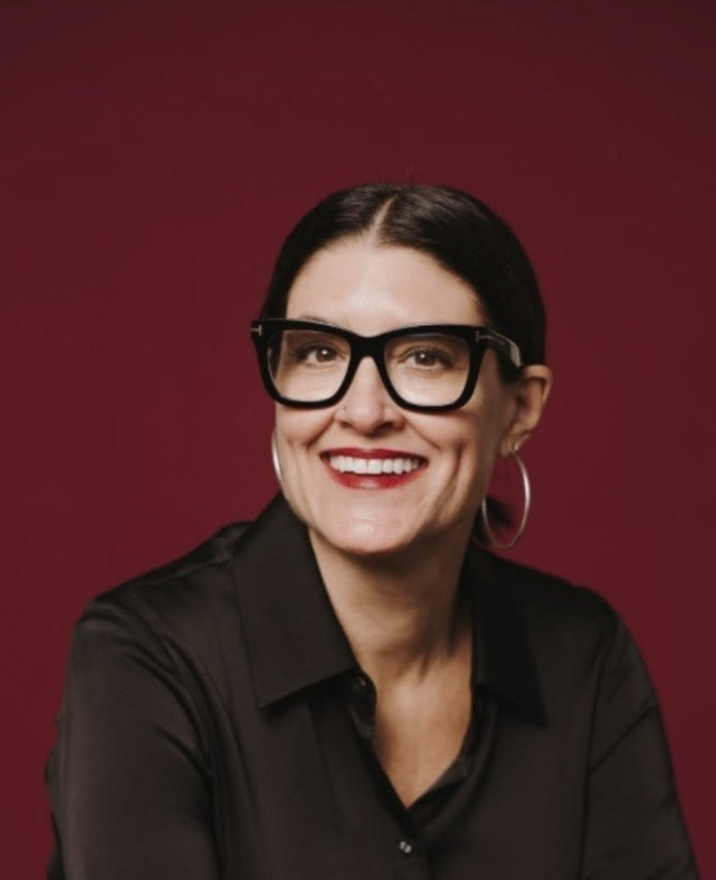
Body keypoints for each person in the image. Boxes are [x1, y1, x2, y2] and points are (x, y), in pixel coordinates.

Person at [46, 184, 698, 878]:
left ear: (519, 408)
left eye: (425, 357)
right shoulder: (146, 655)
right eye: (319, 353)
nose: (363, 410)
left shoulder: (583, 659)